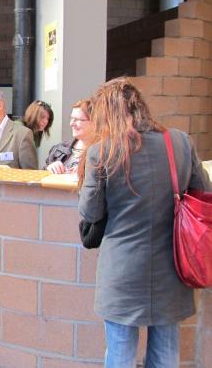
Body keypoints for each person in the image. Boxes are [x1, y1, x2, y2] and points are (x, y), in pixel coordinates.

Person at [78, 77, 211, 368]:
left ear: (107, 113)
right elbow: (204, 192)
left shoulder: (102, 151)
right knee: (165, 352)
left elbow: (90, 211)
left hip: (122, 270)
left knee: (120, 354)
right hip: (172, 266)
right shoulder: (179, 141)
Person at [44, 99, 93, 174]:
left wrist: (87, 173)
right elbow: (41, 176)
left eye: (77, 119)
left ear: (94, 122)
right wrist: (49, 169)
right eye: (71, 118)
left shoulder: (103, 155)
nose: (71, 123)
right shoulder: (59, 149)